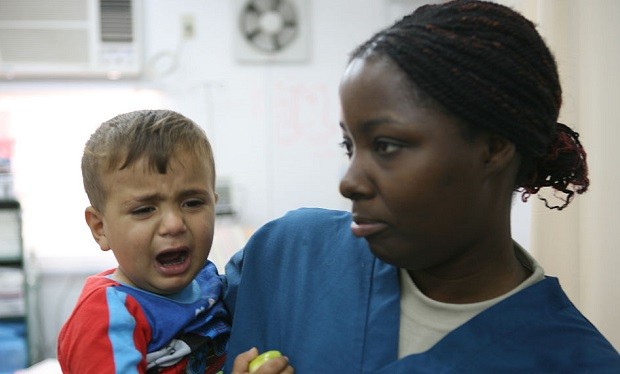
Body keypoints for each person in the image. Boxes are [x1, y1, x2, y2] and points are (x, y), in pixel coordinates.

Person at [222, 1, 620, 372]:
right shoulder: (288, 258)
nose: (349, 183)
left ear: (493, 147)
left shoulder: (575, 361)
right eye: (350, 146)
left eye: (387, 146)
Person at [57, 110, 293, 374]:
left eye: (193, 203)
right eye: (144, 209)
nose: (174, 224)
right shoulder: (106, 316)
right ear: (100, 228)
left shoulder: (209, 282)